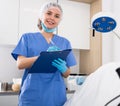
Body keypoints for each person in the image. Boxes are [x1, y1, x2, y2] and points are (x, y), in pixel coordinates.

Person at [11, 2, 76, 106]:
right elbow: (20, 64)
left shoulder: (65, 42)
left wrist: (63, 68)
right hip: (32, 95)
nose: (52, 18)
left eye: (57, 16)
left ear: (59, 21)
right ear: (41, 16)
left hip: (55, 96)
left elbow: (67, 73)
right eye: (49, 13)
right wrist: (43, 57)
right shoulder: (27, 38)